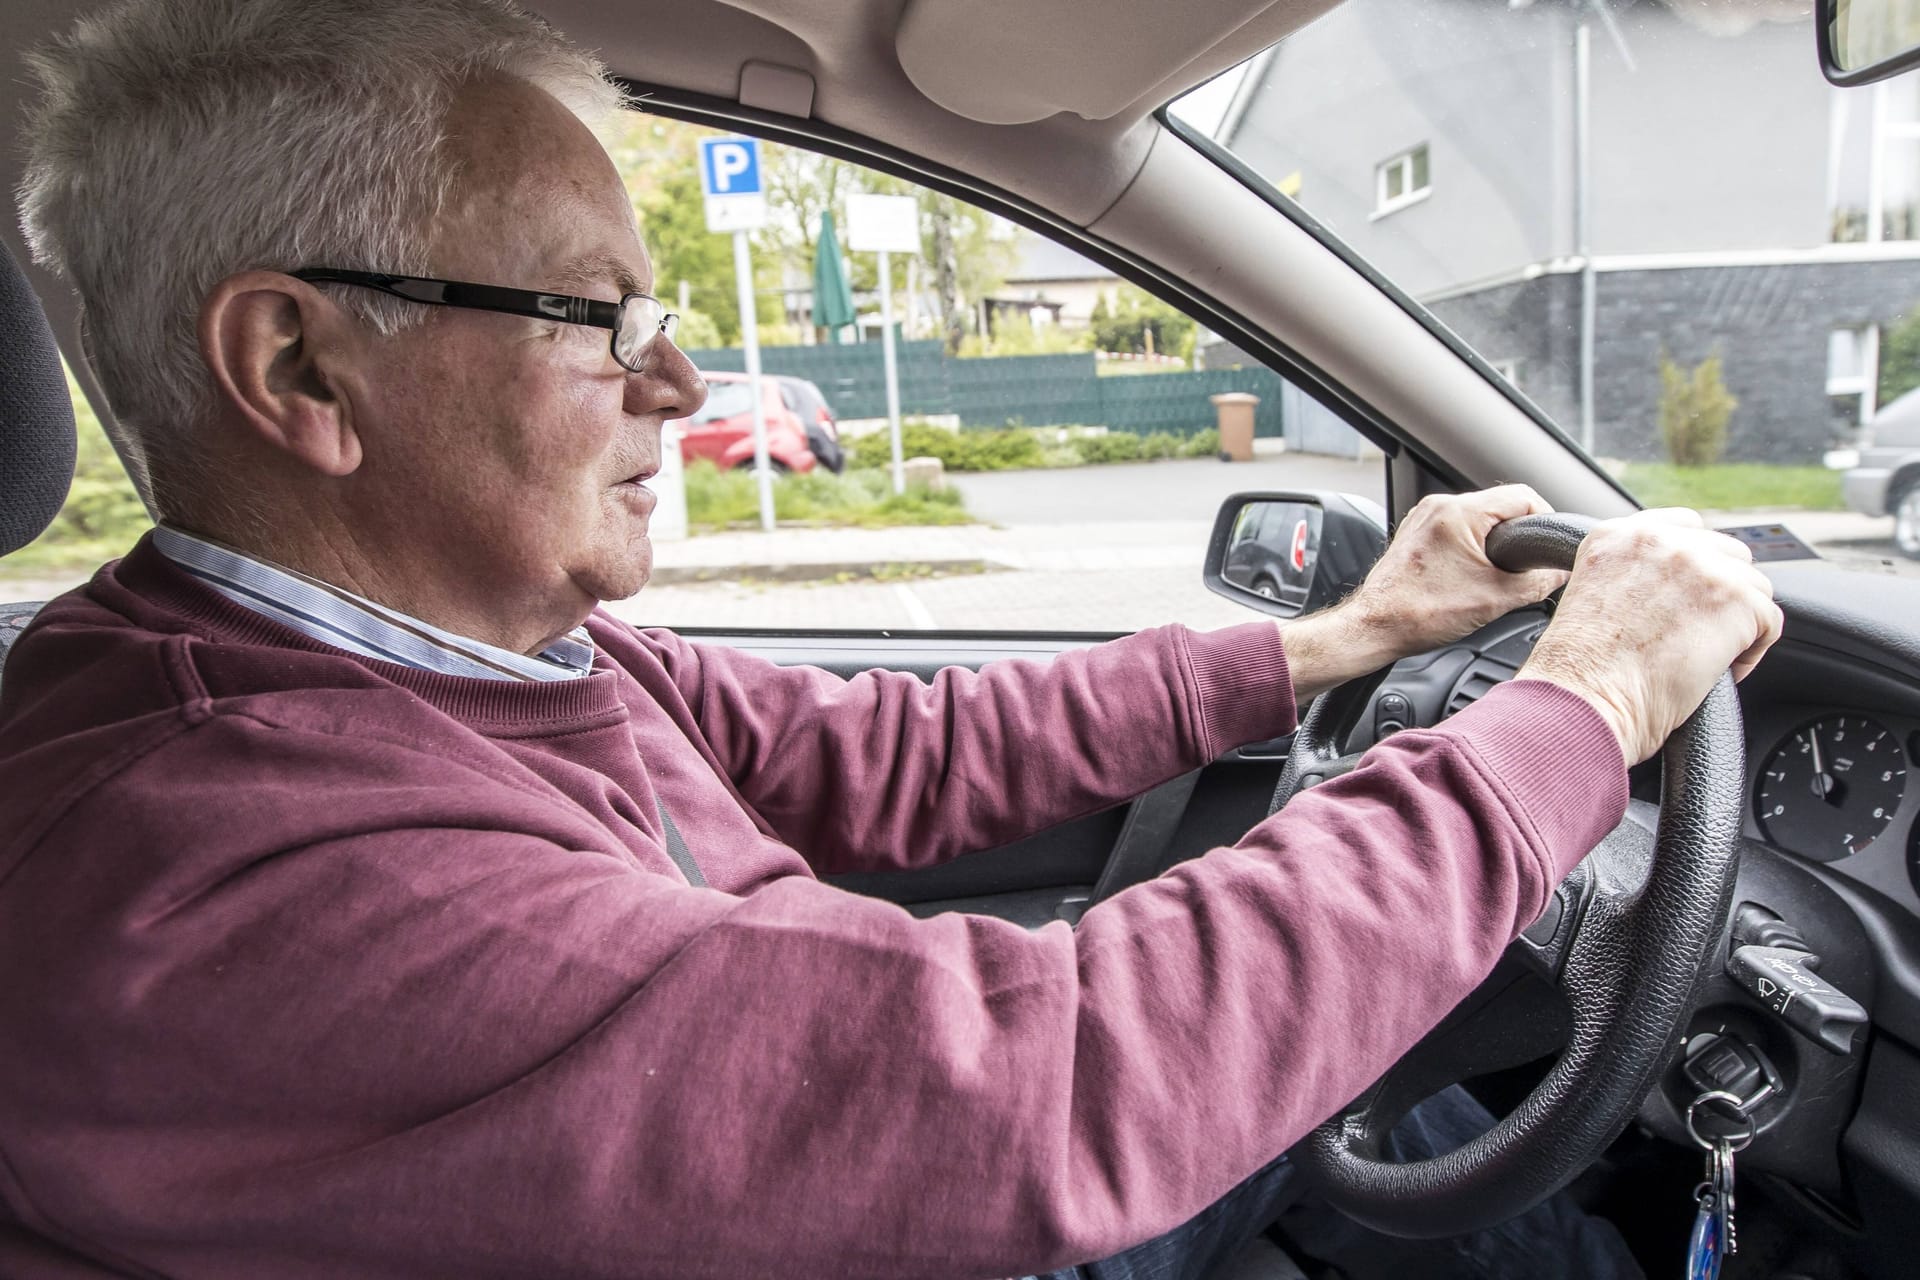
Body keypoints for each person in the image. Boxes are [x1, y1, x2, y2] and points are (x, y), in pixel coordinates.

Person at [0, 1, 1781, 1277]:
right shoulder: (221, 854)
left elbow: (887, 751)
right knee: (1384, 1151)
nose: (682, 384)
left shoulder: (468, 655)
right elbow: (1053, 1087)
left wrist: (1350, 641)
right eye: (593, 318)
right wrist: (1588, 701)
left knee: (1376, 1148)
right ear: (302, 368)